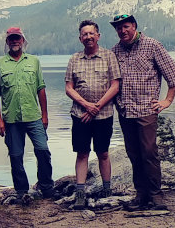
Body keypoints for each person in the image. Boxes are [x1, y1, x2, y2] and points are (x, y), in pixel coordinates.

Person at [110, 14, 175, 211]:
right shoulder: (115, 51)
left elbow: (173, 75)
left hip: (146, 110)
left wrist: (167, 100)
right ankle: (140, 195)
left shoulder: (152, 45)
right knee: (133, 154)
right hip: (125, 111)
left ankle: (156, 197)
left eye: (125, 26)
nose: (122, 31)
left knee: (149, 152)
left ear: (134, 26)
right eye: (118, 28)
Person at [0, 27, 54, 200]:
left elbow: (41, 89)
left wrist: (45, 115)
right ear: (7, 42)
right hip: (11, 119)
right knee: (16, 156)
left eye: (17, 38)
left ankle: (47, 187)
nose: (15, 41)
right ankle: (22, 191)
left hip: (34, 116)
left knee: (43, 150)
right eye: (11, 39)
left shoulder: (34, 62)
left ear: (23, 40)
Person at [65, 20, 121, 209]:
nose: (88, 37)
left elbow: (115, 85)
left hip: (103, 114)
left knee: (103, 152)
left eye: (91, 33)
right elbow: (69, 88)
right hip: (80, 114)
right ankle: (80, 192)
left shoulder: (109, 56)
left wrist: (96, 106)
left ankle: (107, 190)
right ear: (80, 38)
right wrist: (86, 105)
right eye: (84, 34)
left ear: (98, 36)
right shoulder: (74, 59)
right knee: (82, 153)